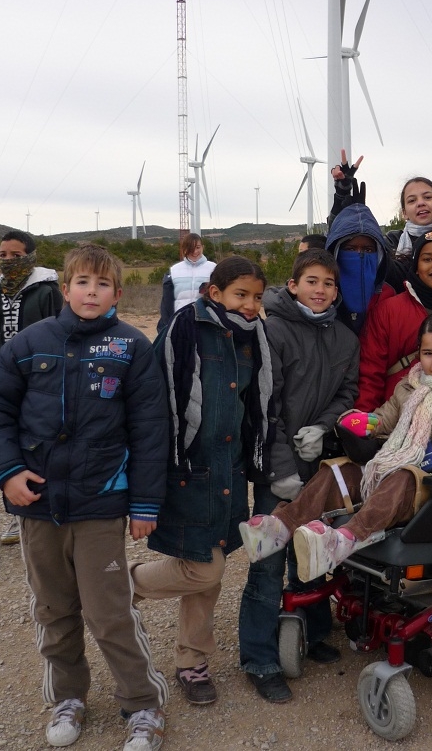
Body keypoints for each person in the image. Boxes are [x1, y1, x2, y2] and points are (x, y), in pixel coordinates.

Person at [0, 245, 169, 751]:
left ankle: (142, 703)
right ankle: (67, 697)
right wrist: (5, 472)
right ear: (64, 288)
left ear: (117, 292)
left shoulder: (132, 346)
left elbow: (151, 428)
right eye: (83, 282)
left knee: (109, 611)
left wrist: (145, 503)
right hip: (37, 502)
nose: (92, 292)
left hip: (100, 502)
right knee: (53, 608)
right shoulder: (28, 343)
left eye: (103, 284)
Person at [241, 312, 432, 586]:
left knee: (402, 476)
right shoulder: (410, 386)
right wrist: (358, 422)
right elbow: (384, 420)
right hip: (405, 465)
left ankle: (346, 539)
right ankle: (281, 526)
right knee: (341, 470)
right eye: (428, 353)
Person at [130, 256, 273, 707]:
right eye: (240, 295)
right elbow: (156, 399)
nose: (250, 305)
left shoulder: (253, 339)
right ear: (215, 293)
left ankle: (191, 663)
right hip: (188, 472)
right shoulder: (184, 329)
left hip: (228, 473)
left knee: (208, 578)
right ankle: (116, 585)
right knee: (203, 567)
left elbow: (251, 405)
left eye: (257, 297)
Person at [239, 249, 360, 704]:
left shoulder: (346, 339)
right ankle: (259, 657)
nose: (320, 290)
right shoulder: (271, 331)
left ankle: (314, 631)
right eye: (312, 281)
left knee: (314, 554)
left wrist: (325, 426)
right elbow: (264, 405)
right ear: (293, 285)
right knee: (267, 562)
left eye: (328, 283)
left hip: (319, 465)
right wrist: (280, 467)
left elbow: (346, 391)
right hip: (277, 469)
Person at [0, 229, 63, 548]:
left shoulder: (47, 291)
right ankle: (13, 504)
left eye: (15, 255)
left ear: (31, 256)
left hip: (39, 376)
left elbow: (60, 331)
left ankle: (31, 509)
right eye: (2, 255)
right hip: (2, 376)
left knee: (35, 438)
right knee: (4, 436)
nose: (7, 260)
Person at [357, 229, 432, 410]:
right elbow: (370, 375)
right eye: (427, 259)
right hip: (393, 420)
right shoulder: (388, 311)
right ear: (416, 267)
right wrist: (365, 422)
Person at [324, 202, 395, 335]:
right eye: (350, 249)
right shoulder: (320, 296)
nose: (359, 255)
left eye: (368, 249)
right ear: (336, 252)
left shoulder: (388, 296)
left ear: (379, 254)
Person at [384, 177, 432, 290]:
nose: (421, 203)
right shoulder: (393, 240)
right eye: (412, 200)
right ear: (404, 213)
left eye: (427, 197)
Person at [157, 234, 216, 332]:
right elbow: (167, 303)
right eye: (190, 248)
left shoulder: (213, 268)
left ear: (203, 247)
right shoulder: (174, 270)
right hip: (181, 323)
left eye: (198, 247)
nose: (195, 251)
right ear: (184, 249)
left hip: (206, 323)